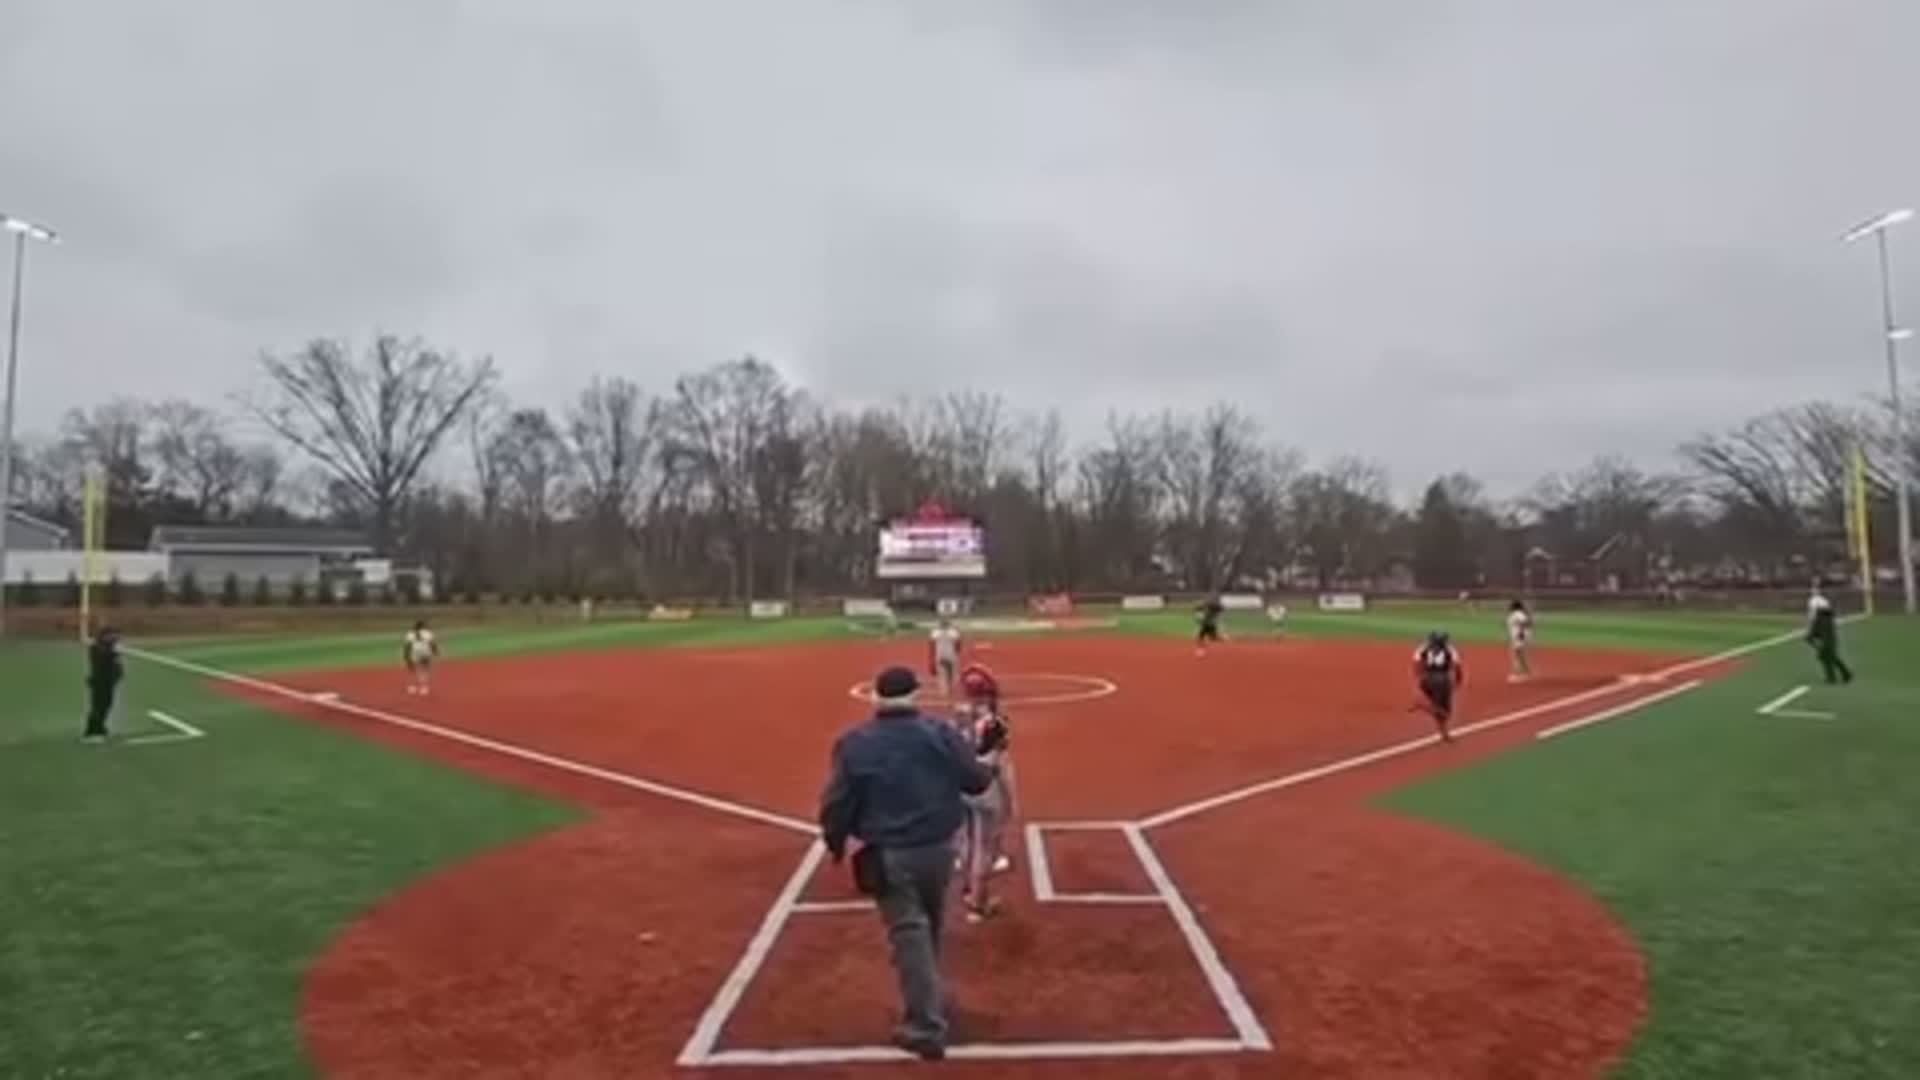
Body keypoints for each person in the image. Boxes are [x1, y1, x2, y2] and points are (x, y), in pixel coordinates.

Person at [819, 666, 994, 1061]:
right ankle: (930, 1001)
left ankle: (926, 1025)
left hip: (890, 854)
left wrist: (835, 842)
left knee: (909, 934)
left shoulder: (855, 743)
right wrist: (984, 758)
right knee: (926, 929)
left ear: (878, 697)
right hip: (939, 851)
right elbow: (977, 782)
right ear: (915, 694)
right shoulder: (941, 734)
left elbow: (838, 803)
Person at [958, 700, 1017, 923]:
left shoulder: (964, 737)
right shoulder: (998, 755)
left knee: (965, 840)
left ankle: (967, 888)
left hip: (963, 793)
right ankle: (976, 903)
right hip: (986, 796)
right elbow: (1005, 782)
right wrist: (1010, 807)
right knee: (984, 849)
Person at [1412, 631, 1465, 742]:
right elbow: (1457, 666)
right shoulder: (1450, 649)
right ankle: (1425, 707)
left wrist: (1420, 679)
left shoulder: (1423, 648)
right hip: (1443, 681)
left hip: (1427, 679)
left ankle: (1443, 733)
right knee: (1445, 711)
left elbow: (1417, 664)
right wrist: (1458, 681)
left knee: (1438, 706)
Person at [83, 625, 124, 743]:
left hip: (109, 681)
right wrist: (114, 652)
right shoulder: (97, 648)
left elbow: (115, 663)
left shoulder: (109, 648)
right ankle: (91, 731)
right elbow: (104, 657)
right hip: (100, 682)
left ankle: (100, 728)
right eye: (111, 636)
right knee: (98, 706)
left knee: (106, 705)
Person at [1806, 586, 1853, 685]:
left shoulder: (1818, 608)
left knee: (1828, 657)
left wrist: (1813, 638)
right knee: (1829, 657)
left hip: (1827, 639)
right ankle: (1841, 675)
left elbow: (1816, 628)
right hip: (1829, 638)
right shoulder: (1823, 608)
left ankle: (1837, 676)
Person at [928, 616, 963, 699]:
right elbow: (958, 645)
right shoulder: (954, 632)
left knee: (942, 675)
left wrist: (932, 658)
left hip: (940, 655)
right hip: (951, 655)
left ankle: (944, 694)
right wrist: (957, 654)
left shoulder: (935, 633)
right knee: (952, 674)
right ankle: (952, 691)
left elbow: (932, 646)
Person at [403, 620, 439, 696]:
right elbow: (432, 644)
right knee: (425, 670)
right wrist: (436, 652)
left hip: (415, 653)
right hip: (426, 652)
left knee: (413, 670)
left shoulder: (410, 634)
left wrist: (406, 656)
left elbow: (407, 646)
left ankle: (412, 687)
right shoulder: (428, 633)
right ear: (423, 626)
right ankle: (424, 688)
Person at [1506, 600, 1534, 682]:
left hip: (1520, 636)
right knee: (1518, 653)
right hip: (1519, 636)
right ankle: (1526, 671)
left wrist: (1521, 632)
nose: (1509, 607)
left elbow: (1526, 622)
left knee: (1517, 653)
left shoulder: (1517, 613)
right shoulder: (1515, 614)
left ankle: (1518, 673)